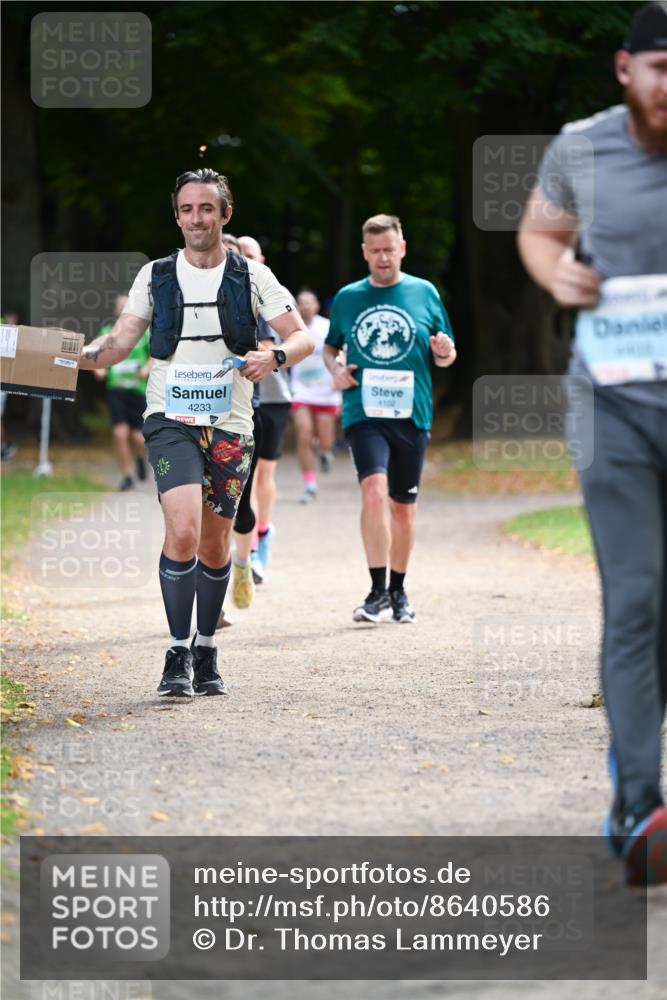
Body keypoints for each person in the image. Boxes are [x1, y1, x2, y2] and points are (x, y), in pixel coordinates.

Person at [518, 2, 667, 885]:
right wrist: (555, 269)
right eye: (660, 68)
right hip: (613, 404)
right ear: (625, 69)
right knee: (636, 593)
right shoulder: (581, 144)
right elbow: (539, 229)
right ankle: (639, 803)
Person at [79, 169, 312, 697]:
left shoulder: (252, 276)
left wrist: (273, 355)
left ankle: (207, 647)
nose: (196, 219)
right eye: (186, 209)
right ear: (177, 215)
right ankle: (177, 651)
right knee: (181, 531)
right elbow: (118, 344)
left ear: (224, 215)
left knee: (213, 544)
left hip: (231, 422)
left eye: (206, 209)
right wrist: (65, 357)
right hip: (169, 420)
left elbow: (300, 339)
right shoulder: (156, 275)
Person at [324, 214, 456, 624]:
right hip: (363, 411)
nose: (383, 258)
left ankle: (399, 591)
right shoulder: (348, 298)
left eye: (389, 250)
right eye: (375, 251)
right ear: (365, 252)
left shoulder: (424, 292)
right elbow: (331, 348)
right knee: (374, 492)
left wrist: (443, 349)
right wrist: (336, 369)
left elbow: (447, 355)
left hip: (412, 414)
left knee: (403, 509)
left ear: (402, 248)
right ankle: (377, 590)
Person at [236, 235, 295, 583]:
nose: (243, 260)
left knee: (263, 475)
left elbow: (294, 342)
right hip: (242, 398)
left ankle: (261, 537)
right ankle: (246, 545)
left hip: (273, 396)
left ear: (262, 259)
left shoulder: (276, 292)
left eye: (249, 255)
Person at [93, 294, 151, 490]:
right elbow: (94, 355)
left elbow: (156, 356)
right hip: (115, 390)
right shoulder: (107, 333)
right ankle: (127, 475)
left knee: (138, 437)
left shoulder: (143, 333)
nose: (123, 309)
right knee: (119, 433)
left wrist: (146, 369)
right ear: (116, 311)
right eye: (120, 306)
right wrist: (98, 369)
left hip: (137, 390)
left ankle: (141, 458)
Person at [291, 289, 341, 504]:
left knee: (325, 440)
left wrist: (339, 373)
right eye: (301, 303)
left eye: (309, 302)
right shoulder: (291, 327)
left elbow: (341, 351)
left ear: (317, 305)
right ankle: (310, 484)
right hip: (300, 389)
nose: (305, 306)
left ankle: (325, 452)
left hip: (325, 389)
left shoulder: (326, 327)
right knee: (304, 434)